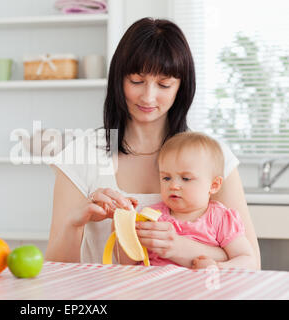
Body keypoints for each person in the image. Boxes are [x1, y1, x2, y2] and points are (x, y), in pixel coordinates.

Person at [45, 17, 260, 269]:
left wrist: (180, 247)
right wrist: (76, 223)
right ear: (118, 79)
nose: (148, 96)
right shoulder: (81, 155)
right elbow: (55, 269)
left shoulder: (211, 156)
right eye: (136, 81)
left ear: (181, 87)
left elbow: (250, 262)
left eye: (164, 84)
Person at [117, 132, 256, 269]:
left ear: (214, 185)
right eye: (166, 178)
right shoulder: (151, 215)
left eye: (186, 178)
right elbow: (129, 262)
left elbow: (248, 260)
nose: (173, 186)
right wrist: (123, 223)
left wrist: (217, 267)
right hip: (153, 287)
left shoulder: (220, 219)